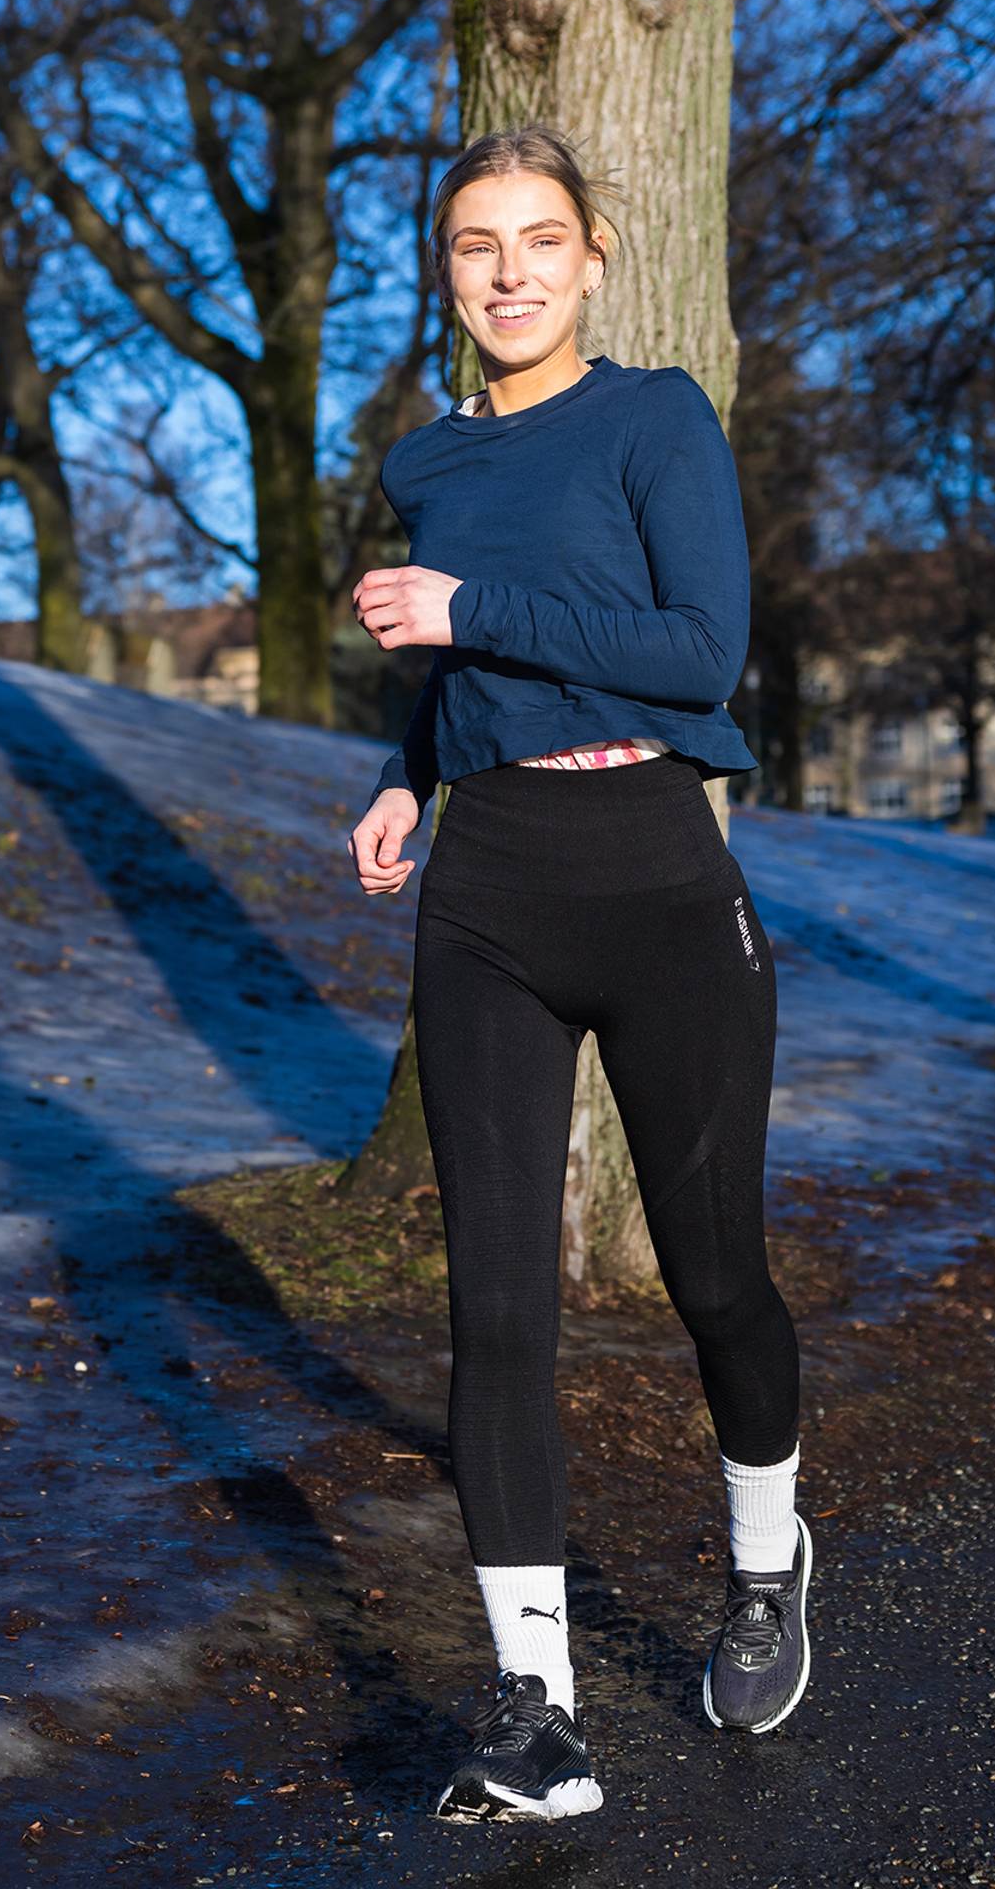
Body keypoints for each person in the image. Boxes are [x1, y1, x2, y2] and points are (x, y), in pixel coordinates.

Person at [347, 124, 810, 1825]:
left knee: (715, 1282)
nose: (513, 271)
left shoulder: (655, 417)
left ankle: (767, 1562)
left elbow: (696, 655)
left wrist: (472, 606)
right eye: (479, 245)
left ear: (597, 253)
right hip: (488, 896)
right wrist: (410, 769)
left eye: (543, 239)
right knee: (497, 1312)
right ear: (447, 269)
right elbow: (455, 660)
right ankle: (535, 1716)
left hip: (662, 883)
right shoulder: (426, 459)